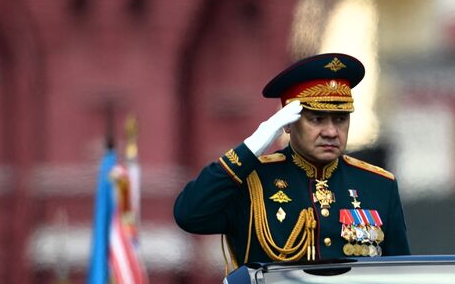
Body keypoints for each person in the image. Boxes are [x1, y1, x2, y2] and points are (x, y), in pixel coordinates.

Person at [174, 52, 409, 266]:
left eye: (340, 119)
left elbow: (399, 280)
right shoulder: (252, 180)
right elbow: (190, 214)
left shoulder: (378, 184)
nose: (331, 131)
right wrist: (252, 147)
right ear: (288, 124)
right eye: (317, 119)